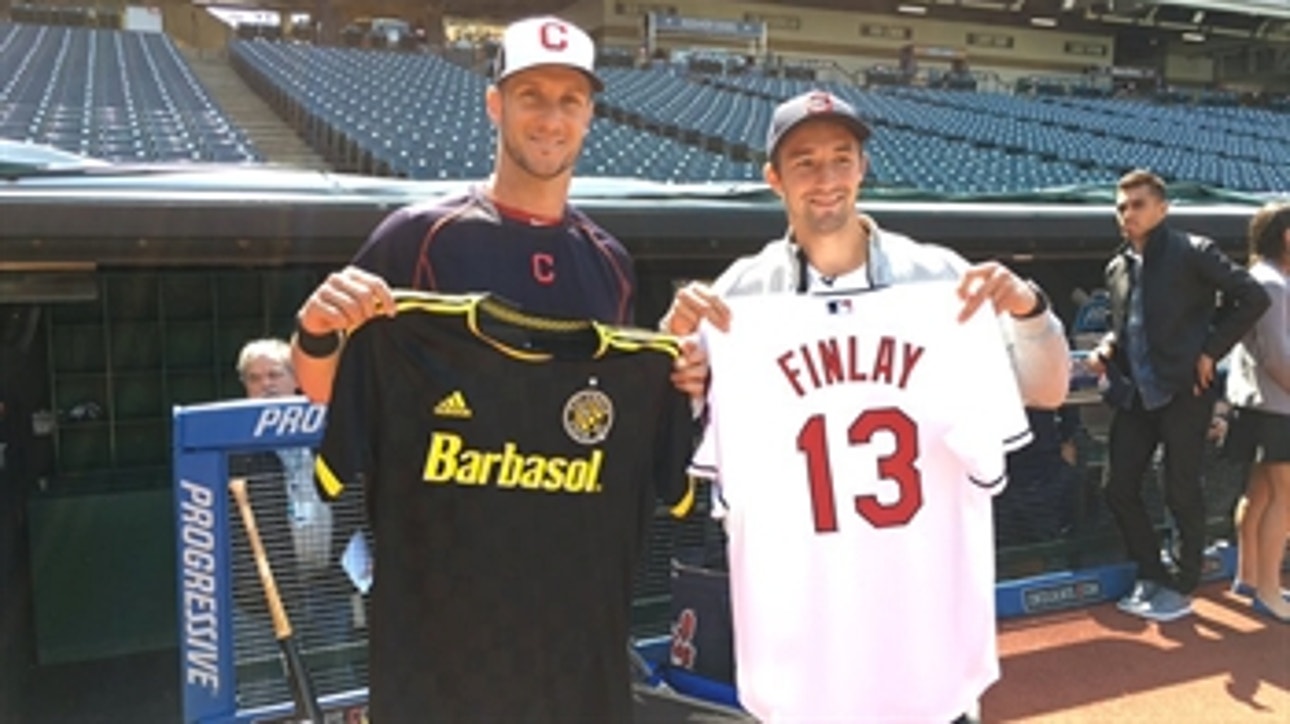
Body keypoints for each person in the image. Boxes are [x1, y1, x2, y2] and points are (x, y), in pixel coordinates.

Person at [663, 90, 1070, 723]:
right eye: (804, 162)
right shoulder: (736, 300)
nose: (826, 178)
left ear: (862, 167)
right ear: (774, 178)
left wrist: (1030, 310)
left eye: (840, 158)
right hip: (806, 648)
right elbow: (684, 424)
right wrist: (678, 370)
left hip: (923, 635)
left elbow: (1047, 391)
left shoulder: (939, 281)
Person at [290, 16, 704, 402]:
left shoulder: (609, 260)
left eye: (570, 101)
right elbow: (325, 390)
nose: (551, 120)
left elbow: (609, 400)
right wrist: (315, 331)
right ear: (495, 104)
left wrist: (674, 364)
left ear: (588, 115)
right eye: (531, 96)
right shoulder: (419, 235)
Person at [1087, 170, 1270, 622]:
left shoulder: (1193, 251)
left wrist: (1211, 350)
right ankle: (1152, 571)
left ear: (1162, 208)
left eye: (1138, 204)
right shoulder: (1117, 266)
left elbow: (1251, 297)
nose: (1127, 213)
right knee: (1119, 485)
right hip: (1136, 395)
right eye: (1121, 206)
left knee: (1180, 486)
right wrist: (1109, 346)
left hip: (1186, 391)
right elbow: (1127, 323)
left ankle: (1183, 580)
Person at [228, 339, 357, 700]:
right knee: (263, 690)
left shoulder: (331, 430)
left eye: (274, 374)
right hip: (259, 599)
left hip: (326, 586)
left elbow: (357, 504)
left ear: (297, 377)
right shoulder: (233, 445)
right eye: (254, 378)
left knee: (337, 682)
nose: (266, 384)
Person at [1225, 202, 1290, 623]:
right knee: (1285, 498)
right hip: (1277, 406)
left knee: (1261, 492)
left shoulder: (1265, 278)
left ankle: (1249, 576)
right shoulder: (1273, 284)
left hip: (1257, 404)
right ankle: (1268, 591)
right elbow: (1278, 357)